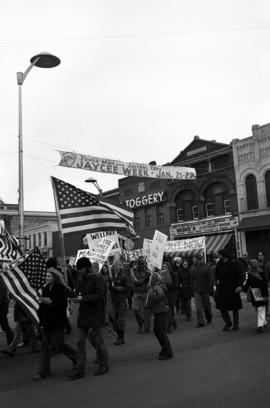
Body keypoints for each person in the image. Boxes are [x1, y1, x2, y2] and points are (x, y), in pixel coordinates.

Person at [68, 257, 109, 380]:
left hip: (96, 313)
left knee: (99, 341)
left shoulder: (98, 278)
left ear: (85, 268)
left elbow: (99, 296)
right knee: (80, 342)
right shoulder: (82, 279)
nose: (78, 272)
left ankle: (104, 364)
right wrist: (71, 293)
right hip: (85, 313)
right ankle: (80, 369)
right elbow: (79, 293)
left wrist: (82, 299)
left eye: (80, 269)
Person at [33, 268, 77, 380]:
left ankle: (77, 357)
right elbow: (42, 306)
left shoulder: (61, 288)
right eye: (46, 276)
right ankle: (43, 371)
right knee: (44, 346)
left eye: (49, 276)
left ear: (55, 277)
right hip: (47, 322)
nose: (47, 278)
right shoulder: (46, 288)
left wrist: (51, 302)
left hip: (58, 321)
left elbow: (62, 305)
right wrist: (41, 318)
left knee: (59, 344)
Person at [215, 248, 244, 331]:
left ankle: (236, 324)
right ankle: (228, 322)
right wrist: (217, 281)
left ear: (223, 255)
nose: (218, 256)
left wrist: (239, 285)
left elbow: (239, 275)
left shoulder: (234, 263)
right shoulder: (219, 263)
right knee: (221, 306)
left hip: (233, 288)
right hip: (222, 288)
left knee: (234, 307)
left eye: (219, 254)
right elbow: (216, 274)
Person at [146, 272, 173, 360]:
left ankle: (168, 351)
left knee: (160, 332)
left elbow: (155, 297)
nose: (151, 280)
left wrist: (150, 290)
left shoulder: (158, 287)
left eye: (152, 279)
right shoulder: (156, 287)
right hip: (159, 311)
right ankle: (164, 348)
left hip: (162, 311)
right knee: (157, 331)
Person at [243, 259, 268, 333]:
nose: (248, 266)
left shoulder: (261, 273)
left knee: (261, 309)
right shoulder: (250, 274)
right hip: (254, 294)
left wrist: (265, 295)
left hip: (261, 293)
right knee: (258, 309)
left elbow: (264, 285)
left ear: (253, 265)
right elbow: (247, 284)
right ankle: (264, 322)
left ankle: (260, 326)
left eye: (249, 265)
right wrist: (242, 288)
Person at [109, 260, 131, 345]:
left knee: (121, 318)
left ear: (120, 266)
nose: (117, 266)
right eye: (115, 265)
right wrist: (110, 282)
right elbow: (109, 287)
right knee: (112, 317)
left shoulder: (124, 275)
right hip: (113, 299)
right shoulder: (111, 275)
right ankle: (117, 331)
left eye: (118, 265)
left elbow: (128, 287)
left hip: (121, 299)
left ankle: (121, 337)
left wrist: (118, 288)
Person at [191, 254, 213, 328]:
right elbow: (191, 278)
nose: (193, 260)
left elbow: (210, 278)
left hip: (205, 289)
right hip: (196, 289)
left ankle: (209, 316)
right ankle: (200, 322)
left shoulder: (206, 266)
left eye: (194, 258)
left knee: (207, 305)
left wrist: (210, 287)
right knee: (198, 306)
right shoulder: (192, 267)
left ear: (198, 259)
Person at [130, 257, 151, 333]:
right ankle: (140, 324)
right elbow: (135, 281)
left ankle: (146, 326)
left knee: (146, 309)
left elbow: (150, 280)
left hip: (146, 291)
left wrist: (148, 278)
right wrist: (145, 279)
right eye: (140, 264)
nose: (142, 265)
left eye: (143, 264)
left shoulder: (148, 270)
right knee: (135, 309)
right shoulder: (133, 270)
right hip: (136, 292)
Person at [161, 261, 178, 332]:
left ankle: (168, 328)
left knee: (169, 311)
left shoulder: (172, 273)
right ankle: (173, 323)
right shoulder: (161, 273)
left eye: (165, 266)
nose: (163, 268)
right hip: (164, 294)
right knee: (167, 311)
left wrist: (166, 285)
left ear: (168, 266)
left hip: (171, 294)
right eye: (163, 266)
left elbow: (175, 285)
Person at [0, 276, 13, 345]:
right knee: (5, 326)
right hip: (3, 307)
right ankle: (11, 343)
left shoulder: (1, 281)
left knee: (5, 326)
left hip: (1, 308)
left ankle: (11, 343)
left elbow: (1, 296)